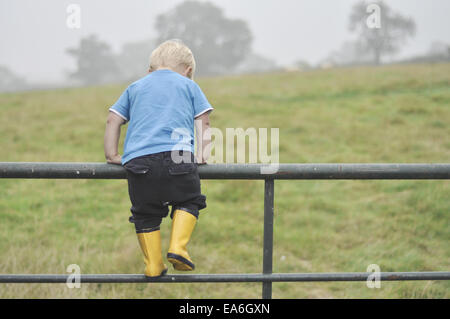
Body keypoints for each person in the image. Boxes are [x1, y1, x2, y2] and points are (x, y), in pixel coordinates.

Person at [104, 39, 213, 277]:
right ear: (189, 71)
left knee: (145, 213)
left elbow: (113, 119)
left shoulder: (135, 87)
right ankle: (178, 247)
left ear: (149, 70)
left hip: (138, 160)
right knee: (190, 200)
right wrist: (203, 154)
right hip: (179, 154)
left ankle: (153, 264)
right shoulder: (188, 85)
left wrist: (112, 154)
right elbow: (203, 121)